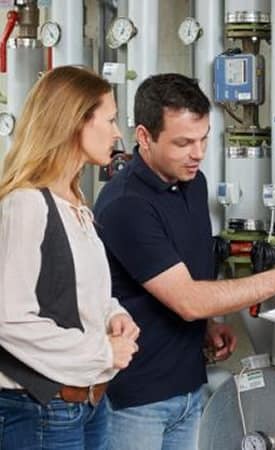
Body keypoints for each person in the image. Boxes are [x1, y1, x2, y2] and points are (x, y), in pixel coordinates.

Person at [93, 73, 275, 450]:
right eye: (183, 143)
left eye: (204, 138)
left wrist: (212, 324)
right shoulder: (127, 204)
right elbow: (188, 300)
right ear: (144, 137)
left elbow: (188, 270)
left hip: (188, 389)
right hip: (137, 402)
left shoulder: (193, 182)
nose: (197, 152)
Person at [0, 66, 140, 450]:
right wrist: (103, 351)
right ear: (75, 122)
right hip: (42, 409)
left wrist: (114, 314)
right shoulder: (27, 203)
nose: (117, 133)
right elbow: (8, 318)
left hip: (90, 402)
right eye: (110, 119)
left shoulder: (74, 202)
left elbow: (75, 288)